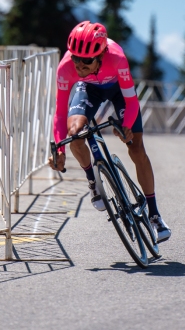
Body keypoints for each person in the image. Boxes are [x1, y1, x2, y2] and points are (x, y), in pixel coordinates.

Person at [47, 21, 171, 243]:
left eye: (86, 62)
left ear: (101, 55)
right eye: (75, 59)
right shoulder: (66, 67)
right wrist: (60, 149)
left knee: (136, 148)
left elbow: (131, 101)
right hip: (89, 90)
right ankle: (93, 181)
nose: (79, 67)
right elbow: (59, 113)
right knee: (74, 132)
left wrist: (126, 127)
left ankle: (154, 215)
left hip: (118, 91)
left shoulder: (116, 58)